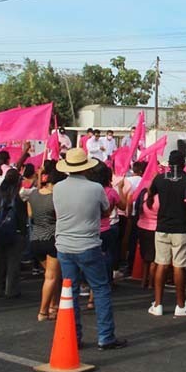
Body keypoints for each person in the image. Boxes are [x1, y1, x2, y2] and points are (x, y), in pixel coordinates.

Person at [53, 148, 127, 350]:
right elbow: (106, 211)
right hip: (88, 244)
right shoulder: (95, 189)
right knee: (101, 289)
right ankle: (105, 336)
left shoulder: (58, 188)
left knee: (70, 292)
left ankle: (73, 336)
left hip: (64, 245)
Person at [147, 150, 186, 317]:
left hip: (162, 226)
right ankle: (181, 305)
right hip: (181, 228)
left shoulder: (159, 179)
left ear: (169, 164)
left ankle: (157, 305)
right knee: (179, 266)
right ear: (184, 164)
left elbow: (149, 195)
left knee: (161, 264)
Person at [29, 169, 66, 322]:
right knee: (51, 277)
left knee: (53, 276)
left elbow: (30, 215)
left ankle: (53, 306)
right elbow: (60, 217)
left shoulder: (33, 195)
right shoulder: (56, 198)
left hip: (35, 238)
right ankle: (43, 311)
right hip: (51, 238)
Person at [0, 169, 26, 299]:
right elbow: (22, 216)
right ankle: (11, 289)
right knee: (13, 261)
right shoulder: (19, 196)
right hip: (14, 230)